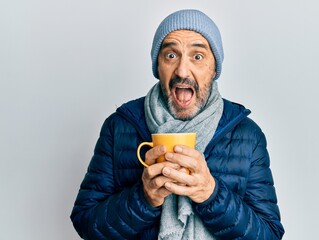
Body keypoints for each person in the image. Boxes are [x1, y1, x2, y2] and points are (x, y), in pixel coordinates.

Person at [70, 9, 285, 240]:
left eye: (197, 56)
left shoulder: (247, 135)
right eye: (171, 55)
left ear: (214, 69)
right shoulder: (119, 127)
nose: (182, 70)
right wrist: (143, 198)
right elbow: (86, 223)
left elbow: (269, 234)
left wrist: (211, 194)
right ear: (157, 67)